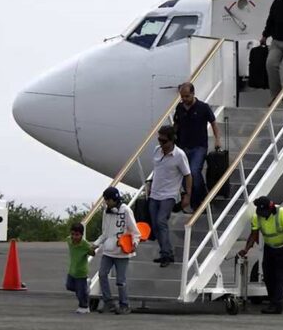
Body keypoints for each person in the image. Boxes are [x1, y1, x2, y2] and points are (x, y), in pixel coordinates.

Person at [237, 196, 283, 314]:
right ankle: (272, 302)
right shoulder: (257, 217)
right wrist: (246, 249)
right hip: (269, 248)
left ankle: (277, 305)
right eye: (260, 212)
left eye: (265, 213)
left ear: (271, 208)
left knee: (280, 277)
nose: (262, 215)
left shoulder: (282, 213)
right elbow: (253, 234)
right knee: (268, 276)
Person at [147, 125, 192, 267]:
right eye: (159, 140)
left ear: (172, 140)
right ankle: (165, 251)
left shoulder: (179, 155)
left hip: (169, 194)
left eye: (164, 141)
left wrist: (187, 195)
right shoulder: (156, 151)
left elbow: (188, 175)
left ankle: (167, 254)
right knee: (154, 225)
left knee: (161, 221)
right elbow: (157, 170)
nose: (161, 143)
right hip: (154, 193)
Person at [92, 187, 140, 315]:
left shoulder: (126, 211)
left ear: (114, 199)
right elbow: (105, 233)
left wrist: (135, 243)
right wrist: (96, 244)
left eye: (107, 200)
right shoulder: (106, 212)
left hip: (122, 252)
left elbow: (135, 231)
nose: (106, 203)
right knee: (102, 274)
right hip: (108, 251)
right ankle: (108, 302)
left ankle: (124, 305)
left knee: (120, 280)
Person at [173, 82, 221, 210]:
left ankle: (202, 197)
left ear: (193, 94)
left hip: (199, 146)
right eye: (182, 97)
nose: (184, 99)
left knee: (194, 171)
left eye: (187, 96)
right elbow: (176, 125)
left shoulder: (203, 107)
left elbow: (214, 123)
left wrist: (217, 139)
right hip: (183, 146)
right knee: (185, 174)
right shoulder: (180, 108)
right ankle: (195, 200)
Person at [66, 222, 95, 314]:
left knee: (80, 292)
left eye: (77, 235)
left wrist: (91, 249)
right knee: (69, 286)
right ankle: (85, 287)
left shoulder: (85, 245)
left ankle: (84, 306)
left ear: (82, 235)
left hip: (81, 272)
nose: (74, 237)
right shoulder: (69, 240)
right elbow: (69, 240)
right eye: (73, 234)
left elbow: (93, 253)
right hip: (72, 270)